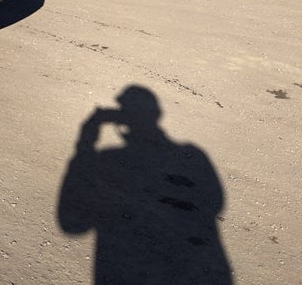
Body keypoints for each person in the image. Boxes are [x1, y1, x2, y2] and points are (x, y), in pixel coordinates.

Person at [57, 86, 233, 284]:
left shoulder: (109, 159)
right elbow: (215, 203)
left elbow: (72, 225)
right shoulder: (194, 155)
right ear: (157, 114)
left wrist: (86, 141)